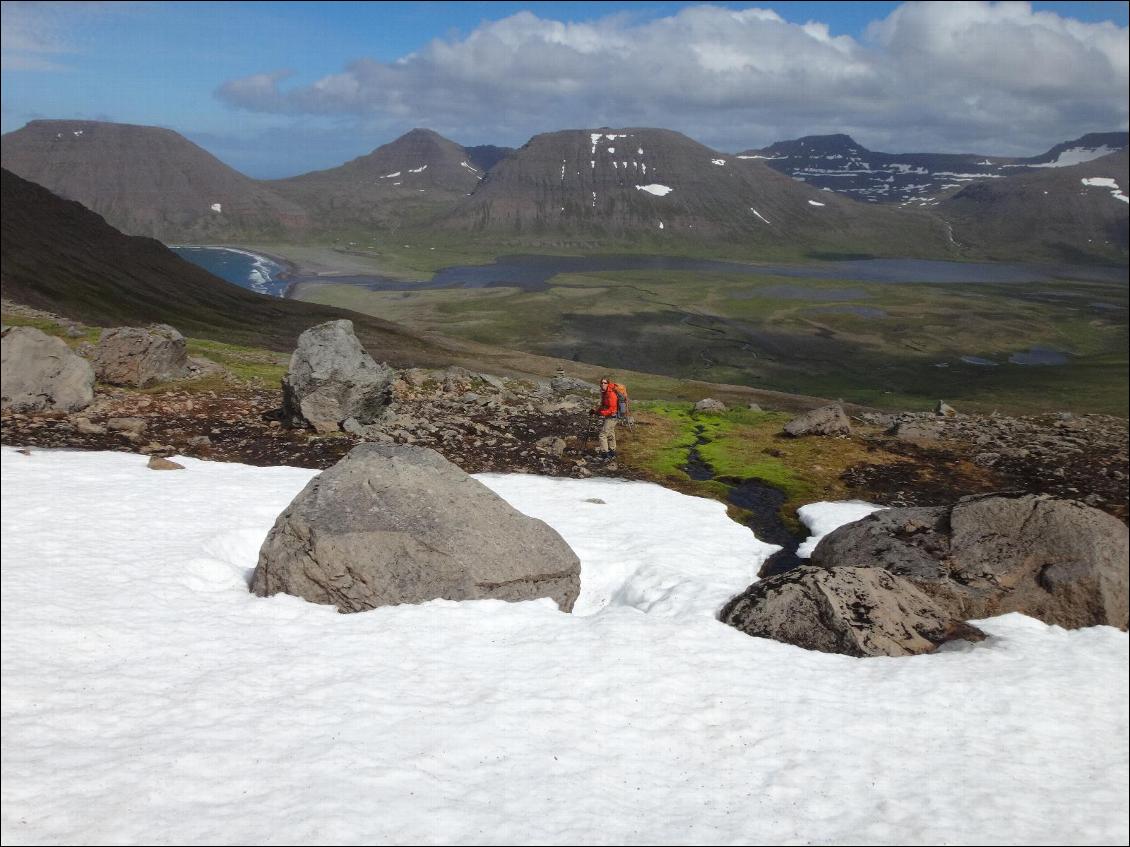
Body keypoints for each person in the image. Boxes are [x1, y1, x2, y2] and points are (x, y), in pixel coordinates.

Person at [590, 376, 619, 460]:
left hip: (613, 416)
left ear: (608, 384)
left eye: (605, 383)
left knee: (602, 434)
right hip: (610, 416)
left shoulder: (611, 394)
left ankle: (604, 454)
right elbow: (603, 405)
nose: (603, 384)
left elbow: (612, 409)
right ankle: (612, 451)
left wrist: (601, 413)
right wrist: (595, 411)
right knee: (610, 433)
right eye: (602, 383)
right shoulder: (604, 393)